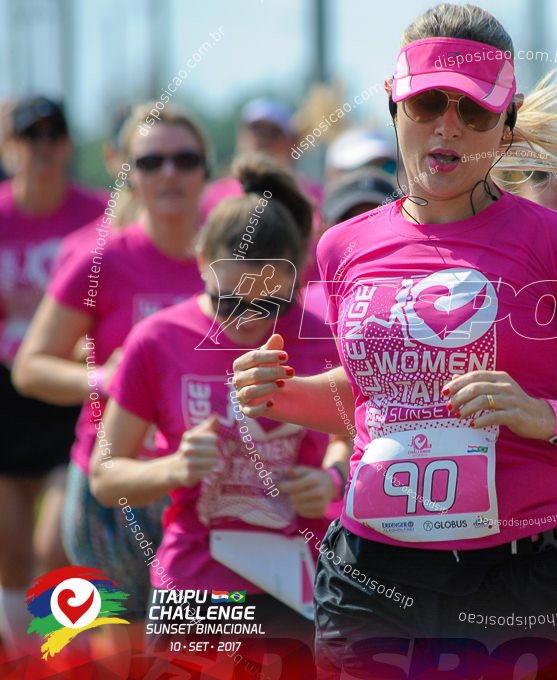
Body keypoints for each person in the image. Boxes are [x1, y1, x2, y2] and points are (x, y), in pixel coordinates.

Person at [231, 3, 557, 672]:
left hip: (525, 575)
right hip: (371, 572)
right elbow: (377, 394)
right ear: (393, 104)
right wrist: (281, 396)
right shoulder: (344, 244)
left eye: (475, 111)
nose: (448, 127)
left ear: (507, 121)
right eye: (429, 103)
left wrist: (538, 415)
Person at [88, 156, 340, 651]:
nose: (247, 322)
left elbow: (361, 439)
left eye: (270, 305)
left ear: (296, 278)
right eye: (229, 301)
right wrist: (173, 469)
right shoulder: (158, 340)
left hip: (300, 583)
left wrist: (332, 478)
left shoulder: (323, 336)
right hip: (194, 585)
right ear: (202, 260)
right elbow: (104, 476)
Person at [12, 102, 210, 619]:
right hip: (114, 494)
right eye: (150, 162)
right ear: (128, 172)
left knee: (193, 649)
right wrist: (107, 376)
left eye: (185, 160)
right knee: (115, 656)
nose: (169, 173)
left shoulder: (234, 260)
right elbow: (31, 366)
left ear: (206, 171)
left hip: (206, 490)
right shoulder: (101, 261)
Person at [0, 95, 106, 654]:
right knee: (11, 549)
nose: (41, 147)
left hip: (74, 391)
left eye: (51, 135)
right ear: (9, 146)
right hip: (7, 393)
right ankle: (23, 659)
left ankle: (67, 656)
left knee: (53, 544)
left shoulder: (95, 215)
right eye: (28, 136)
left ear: (67, 145)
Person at [200, 98, 323, 218]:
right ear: (241, 138)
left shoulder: (315, 197)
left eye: (273, 132)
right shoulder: (214, 195)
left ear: (292, 142)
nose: (263, 140)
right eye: (255, 130)